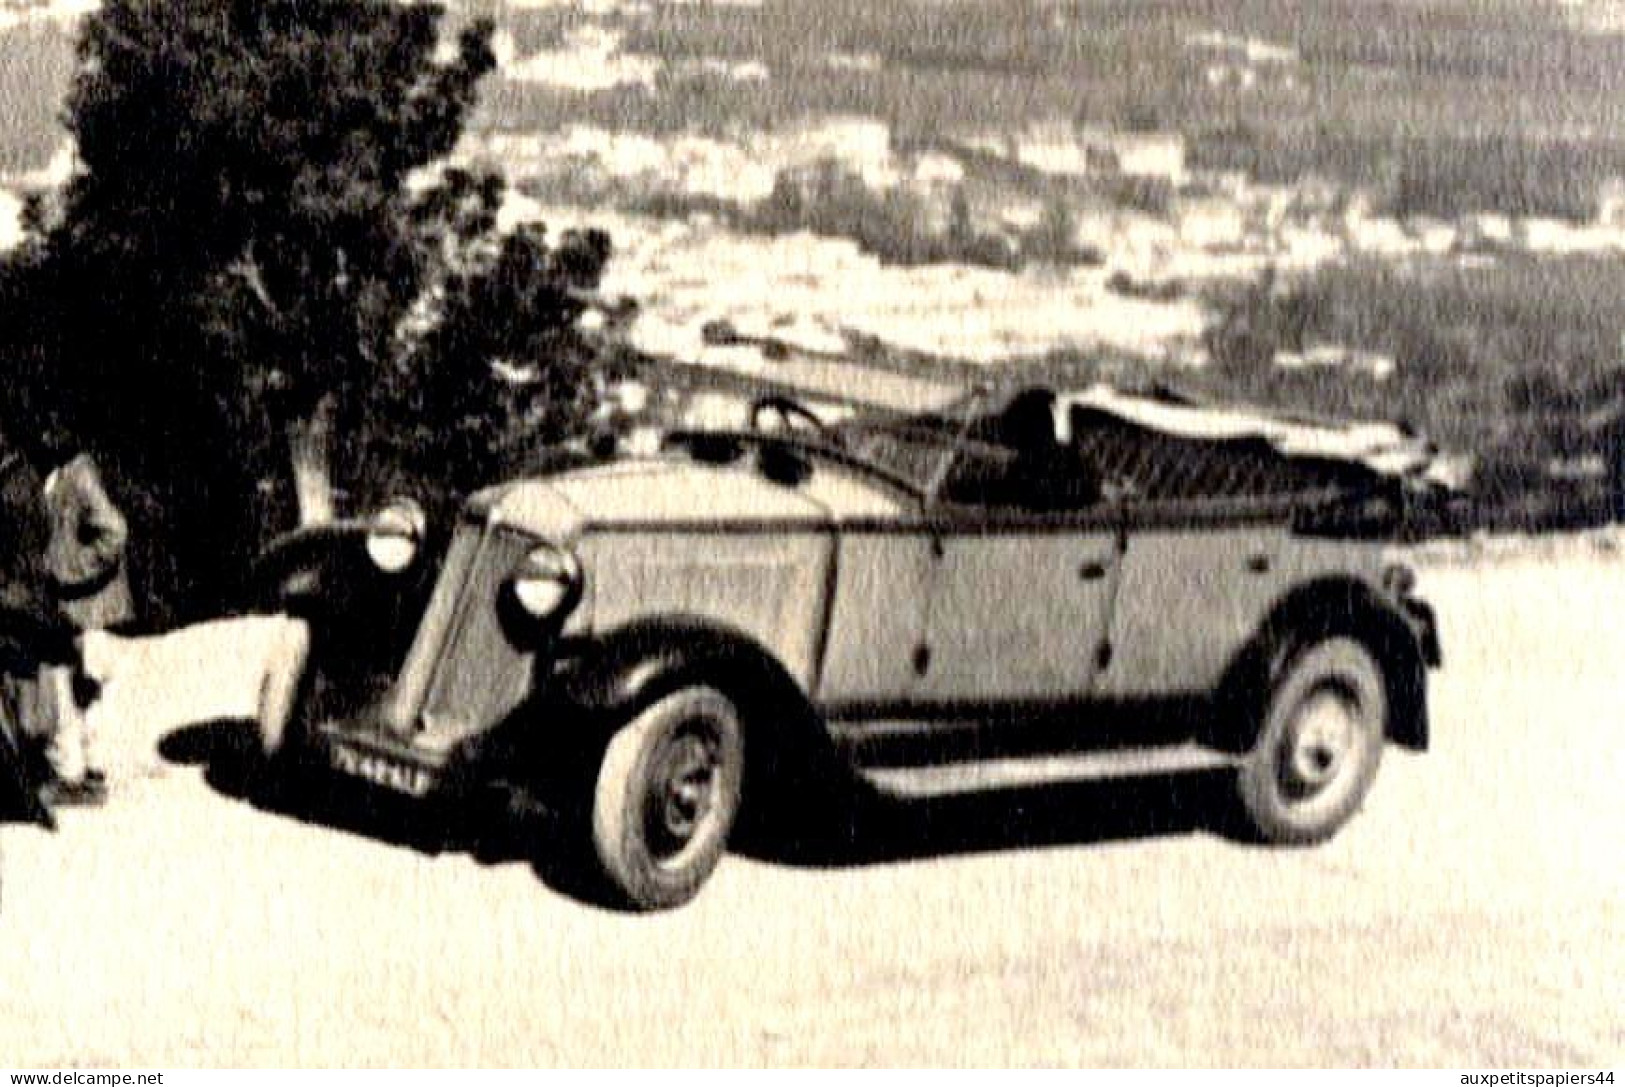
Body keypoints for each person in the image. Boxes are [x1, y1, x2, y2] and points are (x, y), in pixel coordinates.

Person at [36, 428, 133, 805]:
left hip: (91, 609)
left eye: (53, 430)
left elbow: (114, 532)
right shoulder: (62, 474)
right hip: (81, 610)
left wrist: (66, 570)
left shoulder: (80, 475)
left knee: (82, 690)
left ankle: (79, 778)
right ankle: (89, 774)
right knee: (83, 691)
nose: (45, 437)